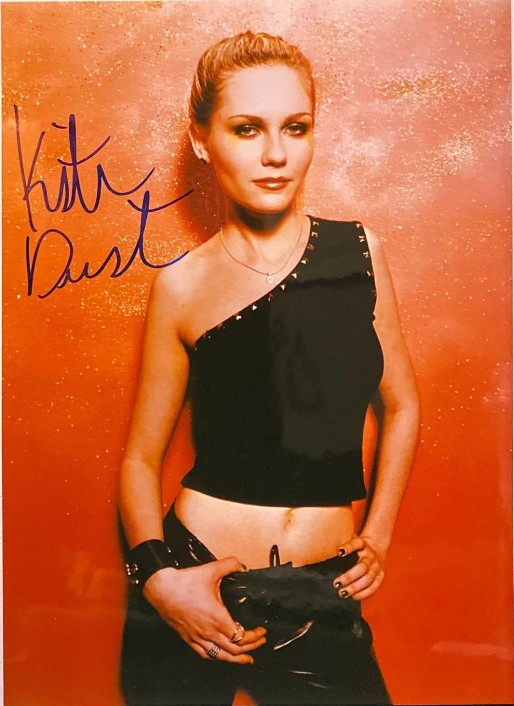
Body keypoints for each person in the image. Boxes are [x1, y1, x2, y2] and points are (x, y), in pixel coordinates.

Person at [118, 30, 420, 706]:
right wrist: (160, 580)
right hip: (196, 583)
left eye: (296, 127)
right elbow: (139, 459)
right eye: (247, 128)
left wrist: (378, 533)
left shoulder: (358, 253)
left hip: (322, 590)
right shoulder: (181, 286)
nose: (276, 154)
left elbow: (403, 404)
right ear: (202, 139)